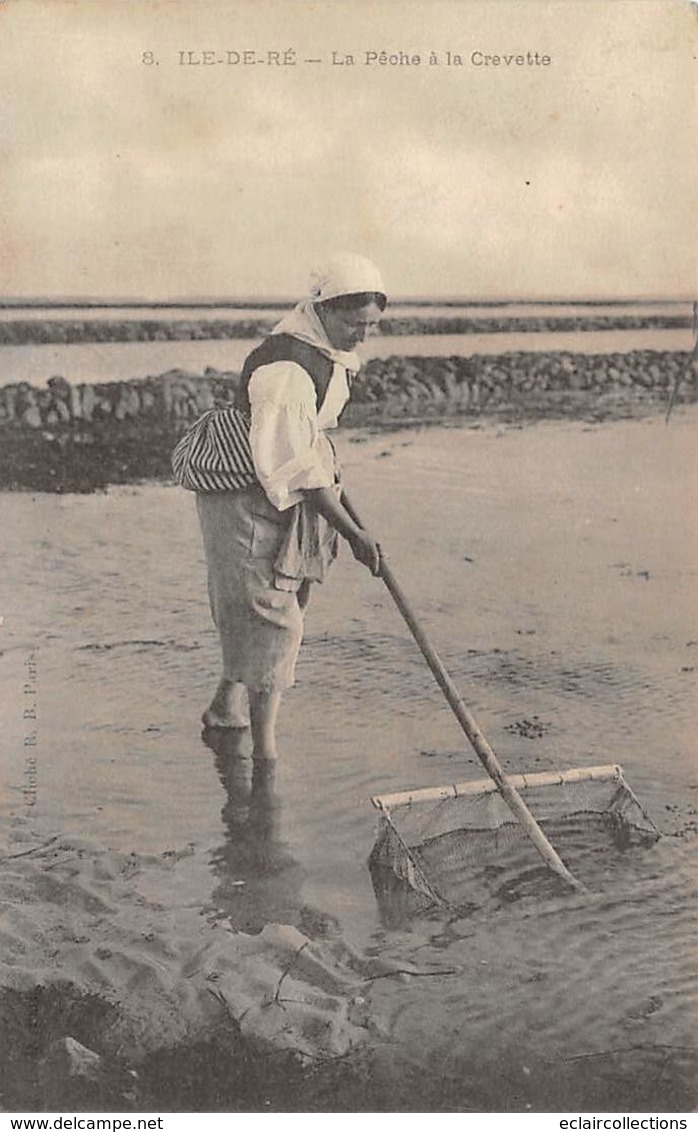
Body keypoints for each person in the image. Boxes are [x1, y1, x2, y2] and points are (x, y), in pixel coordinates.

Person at [196, 252, 387, 762]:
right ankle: (265, 759)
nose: (362, 336)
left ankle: (224, 709)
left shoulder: (327, 351)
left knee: (290, 595)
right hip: (244, 493)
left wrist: (335, 490)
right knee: (272, 615)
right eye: (354, 323)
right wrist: (353, 533)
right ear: (323, 310)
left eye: (372, 326)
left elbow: (310, 445)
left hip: (284, 482)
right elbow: (295, 465)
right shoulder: (287, 369)